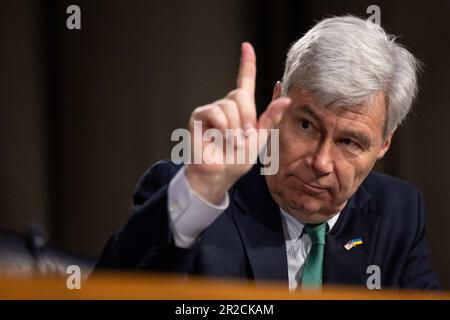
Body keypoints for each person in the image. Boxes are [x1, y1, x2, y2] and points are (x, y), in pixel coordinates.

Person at [95, 16, 441, 290]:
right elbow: (114, 290)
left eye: (349, 142)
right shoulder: (195, 195)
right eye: (306, 126)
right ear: (277, 103)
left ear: (384, 144)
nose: (320, 163)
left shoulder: (399, 212)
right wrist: (199, 193)